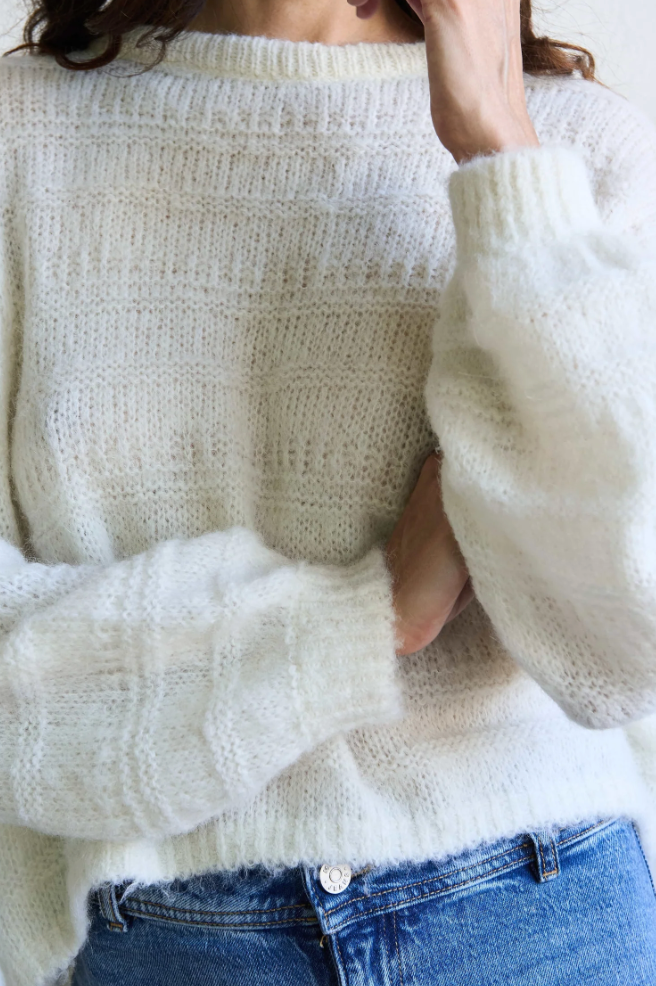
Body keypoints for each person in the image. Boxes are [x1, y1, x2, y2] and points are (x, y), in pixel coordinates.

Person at [0, 0, 656, 982]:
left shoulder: (576, 144)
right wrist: (359, 617)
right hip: (177, 933)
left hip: (536, 908)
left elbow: (625, 639)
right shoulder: (23, 136)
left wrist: (500, 156)